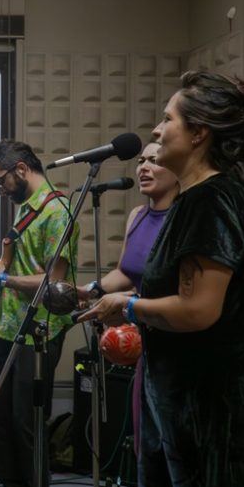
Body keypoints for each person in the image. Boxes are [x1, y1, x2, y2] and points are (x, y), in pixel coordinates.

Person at [80, 71, 244, 487]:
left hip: (217, 428)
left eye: (168, 119)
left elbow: (197, 310)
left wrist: (126, 306)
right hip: (185, 421)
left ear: (199, 134)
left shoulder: (212, 200)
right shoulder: (196, 200)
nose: (155, 130)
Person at [0, 139, 79, 487]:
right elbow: (17, 267)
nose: (0, 189)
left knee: (25, 421)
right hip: (2, 324)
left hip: (38, 331)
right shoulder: (23, 210)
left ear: (21, 169)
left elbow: (54, 280)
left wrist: (2, 277)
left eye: (1, 180)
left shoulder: (58, 212)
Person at [76, 140, 178, 451]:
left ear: (177, 169)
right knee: (144, 440)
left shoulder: (184, 218)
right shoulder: (137, 215)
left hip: (176, 340)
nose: (144, 167)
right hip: (146, 340)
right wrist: (89, 290)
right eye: (141, 161)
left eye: (154, 161)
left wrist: (128, 302)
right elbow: (126, 271)